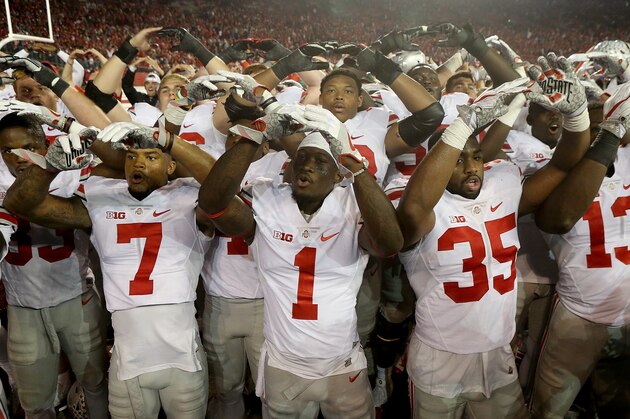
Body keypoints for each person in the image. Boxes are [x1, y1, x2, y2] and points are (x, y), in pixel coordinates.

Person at [393, 53, 598, 418]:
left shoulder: (501, 182)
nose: (472, 167)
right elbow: (411, 213)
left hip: (499, 351)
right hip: (441, 356)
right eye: (457, 159)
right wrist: (460, 128)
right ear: (433, 163)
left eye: (475, 156)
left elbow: (565, 163)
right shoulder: (411, 194)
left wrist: (577, 117)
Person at [198, 104, 403, 418]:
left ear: (338, 175)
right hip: (284, 364)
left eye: (320, 160)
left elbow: (390, 244)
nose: (306, 166)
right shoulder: (268, 200)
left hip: (342, 363)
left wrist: (357, 167)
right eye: (301, 159)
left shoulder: (351, 201)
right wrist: (254, 135)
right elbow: (212, 203)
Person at [3, 121, 217, 418]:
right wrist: (48, 166)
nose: (138, 162)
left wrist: (169, 140)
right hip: (128, 360)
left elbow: (220, 183)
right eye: (130, 156)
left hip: (181, 357)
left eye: (151, 155)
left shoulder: (187, 197)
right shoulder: (101, 201)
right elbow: (21, 204)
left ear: (170, 166)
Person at [529, 82, 630, 419]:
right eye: (596, 130)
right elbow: (558, 219)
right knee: (549, 408)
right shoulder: (551, 171)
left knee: (617, 398)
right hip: (581, 314)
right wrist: (609, 138)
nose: (605, 136)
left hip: (627, 313)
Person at [0, 113, 108, 418]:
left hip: (76, 297)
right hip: (24, 308)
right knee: (34, 402)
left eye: (27, 146)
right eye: (8, 150)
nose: (19, 157)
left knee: (95, 382)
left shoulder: (72, 175)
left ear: (43, 144)